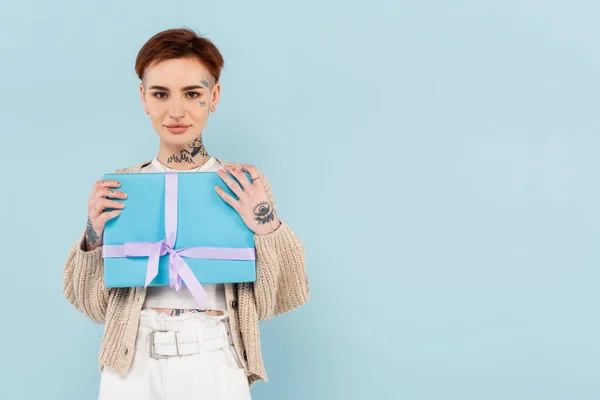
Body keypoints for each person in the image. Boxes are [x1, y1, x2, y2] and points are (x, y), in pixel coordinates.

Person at [61, 28, 309, 400]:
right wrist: (93, 236)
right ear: (144, 98)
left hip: (215, 358)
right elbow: (93, 307)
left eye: (193, 94)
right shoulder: (121, 187)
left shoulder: (245, 184)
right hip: (131, 363)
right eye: (161, 94)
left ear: (214, 97)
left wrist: (266, 223)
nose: (176, 111)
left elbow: (285, 293)